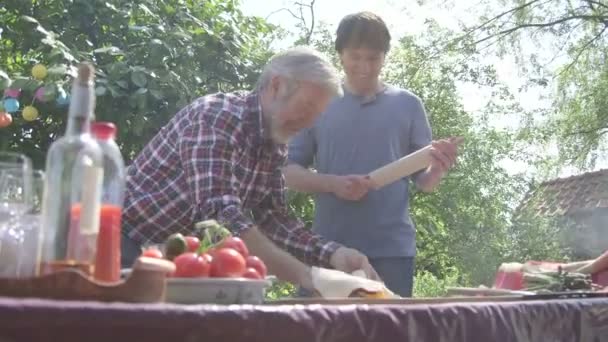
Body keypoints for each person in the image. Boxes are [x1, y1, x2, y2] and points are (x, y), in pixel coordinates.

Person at [120, 46, 380, 290]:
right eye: (306, 107)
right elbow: (218, 218)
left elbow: (274, 220)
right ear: (276, 86)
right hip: (122, 242)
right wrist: (308, 276)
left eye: (316, 115)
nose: (308, 123)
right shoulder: (217, 117)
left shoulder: (275, 144)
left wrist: (334, 254)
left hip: (177, 258)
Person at [283, 12, 461, 297]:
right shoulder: (317, 102)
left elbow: (424, 183)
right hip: (328, 249)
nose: (364, 67)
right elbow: (288, 172)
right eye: (356, 57)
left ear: (384, 57)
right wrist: (333, 184)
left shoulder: (408, 105)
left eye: (373, 58)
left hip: (391, 252)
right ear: (340, 55)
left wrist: (439, 167)